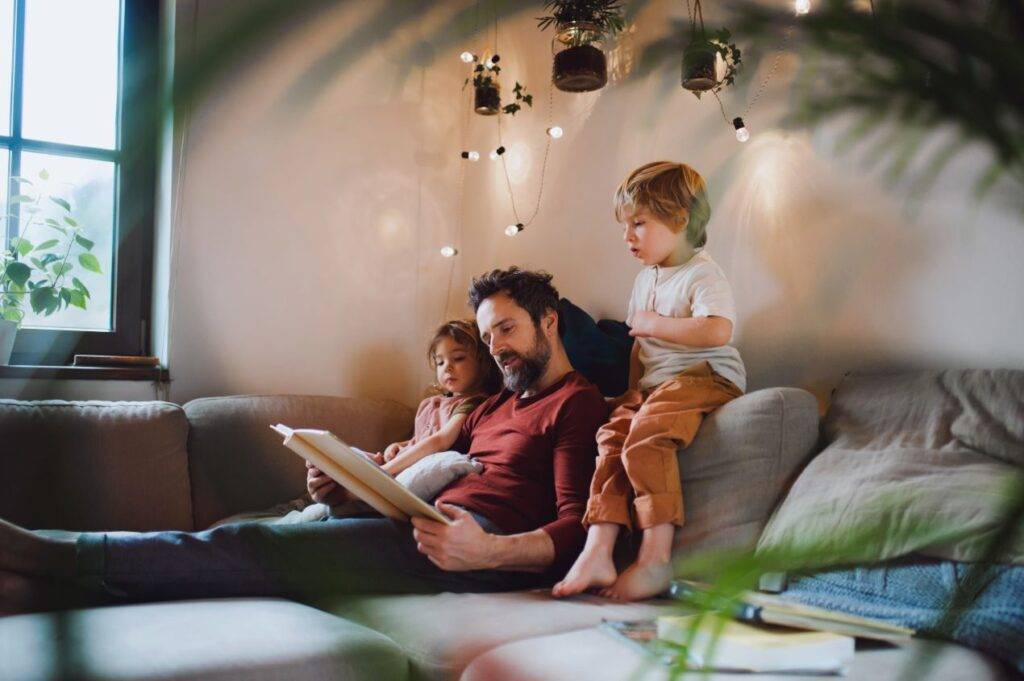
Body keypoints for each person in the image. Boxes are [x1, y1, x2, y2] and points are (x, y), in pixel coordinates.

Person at [0, 268, 608, 614]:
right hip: (422, 527)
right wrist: (345, 485)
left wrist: (490, 553)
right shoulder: (496, 401)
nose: (496, 346)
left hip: (477, 552)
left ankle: (52, 555)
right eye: (488, 333)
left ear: (548, 321)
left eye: (507, 328)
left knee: (256, 545)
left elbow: (576, 526)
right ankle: (41, 581)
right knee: (271, 530)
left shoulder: (576, 404)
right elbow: (433, 464)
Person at [552, 161, 746, 602]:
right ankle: (598, 548)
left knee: (646, 438)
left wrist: (655, 323)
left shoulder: (702, 274)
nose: (628, 236)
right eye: (625, 226)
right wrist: (630, 390)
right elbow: (639, 347)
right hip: (659, 384)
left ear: (680, 219)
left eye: (639, 223)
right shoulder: (645, 280)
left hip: (706, 375)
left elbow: (717, 330)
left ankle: (655, 557)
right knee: (612, 436)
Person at [308, 319, 500, 508]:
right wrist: (399, 445)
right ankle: (328, 480)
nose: (447, 367)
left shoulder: (472, 402)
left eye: (458, 358)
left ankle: (350, 490)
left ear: (483, 362)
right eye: (440, 362)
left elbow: (441, 440)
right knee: (348, 454)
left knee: (364, 468)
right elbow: (420, 439)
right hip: (401, 463)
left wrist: (384, 472)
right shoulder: (433, 403)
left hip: (413, 469)